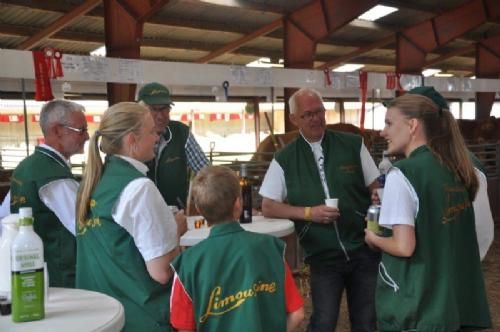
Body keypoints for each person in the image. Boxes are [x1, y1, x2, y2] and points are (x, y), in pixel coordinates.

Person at [365, 86, 491, 331]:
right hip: (459, 301)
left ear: (412, 126)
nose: (382, 132)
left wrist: (372, 237)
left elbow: (404, 246)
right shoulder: (461, 167)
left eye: (390, 123)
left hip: (418, 305)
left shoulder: (403, 173)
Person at [259, 88, 380, 332]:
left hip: (363, 249)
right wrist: (308, 213)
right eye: (307, 115)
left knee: (366, 322)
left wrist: (376, 222)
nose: (315, 118)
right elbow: (268, 206)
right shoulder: (285, 158)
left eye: (319, 112)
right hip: (322, 255)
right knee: (323, 322)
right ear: (294, 119)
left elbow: (375, 187)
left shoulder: (353, 144)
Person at [75, 102, 187, 331]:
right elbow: (161, 272)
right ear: (131, 140)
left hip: (99, 315)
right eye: (152, 132)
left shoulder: (92, 182)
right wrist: (176, 230)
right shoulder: (138, 188)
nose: (157, 138)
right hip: (140, 316)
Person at [170, 166, 305, 332]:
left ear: (198, 209)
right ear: (239, 204)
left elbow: (184, 327)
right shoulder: (271, 249)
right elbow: (297, 314)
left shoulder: (187, 264)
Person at [10, 99, 88, 288]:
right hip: (62, 276)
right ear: (57, 130)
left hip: (33, 270)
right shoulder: (54, 177)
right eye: (82, 130)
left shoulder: (25, 167)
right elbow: (85, 228)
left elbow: (6, 217)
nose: (86, 136)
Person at [137, 82, 209, 209]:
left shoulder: (181, 133)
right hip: (141, 216)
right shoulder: (131, 137)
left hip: (175, 216)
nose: (160, 115)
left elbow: (206, 173)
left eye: (165, 108)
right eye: (154, 109)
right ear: (141, 111)